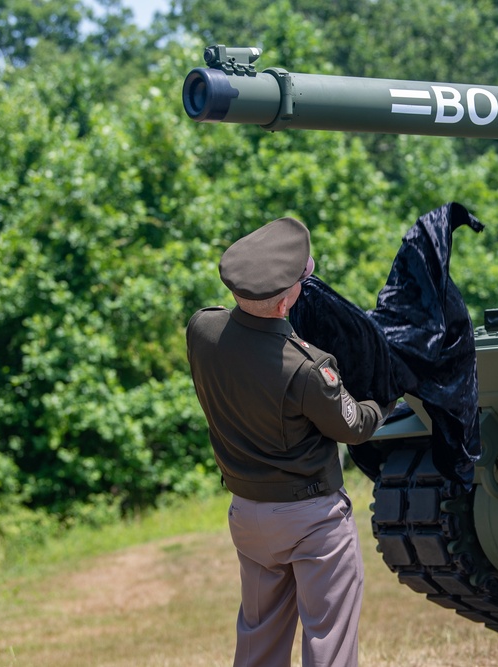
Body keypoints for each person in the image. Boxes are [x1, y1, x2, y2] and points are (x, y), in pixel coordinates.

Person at [186, 216, 392, 667]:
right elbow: (354, 426)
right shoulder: (309, 369)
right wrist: (384, 401)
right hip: (311, 519)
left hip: (247, 513)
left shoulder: (202, 331)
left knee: (259, 642)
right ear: (284, 306)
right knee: (329, 643)